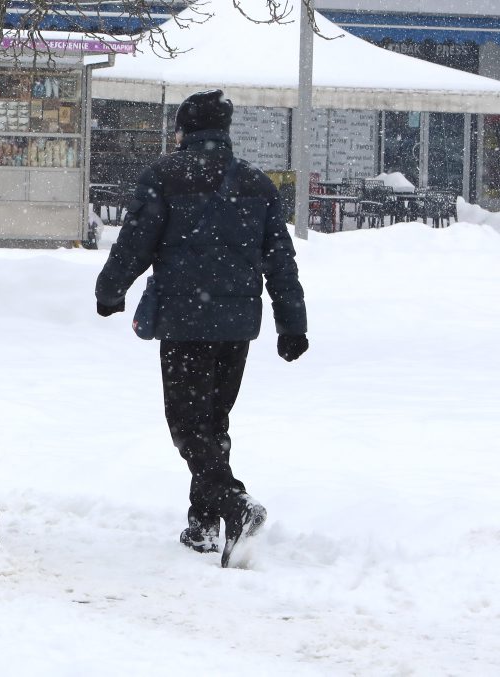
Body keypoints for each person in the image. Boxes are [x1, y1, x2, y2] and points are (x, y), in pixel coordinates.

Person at [94, 90, 308, 566]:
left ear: (184, 131)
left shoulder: (165, 176)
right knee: (213, 422)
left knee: (188, 426)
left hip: (186, 322)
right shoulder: (258, 185)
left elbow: (135, 245)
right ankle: (202, 524)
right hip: (237, 326)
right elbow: (281, 262)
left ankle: (234, 504)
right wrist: (291, 324)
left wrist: (110, 291)